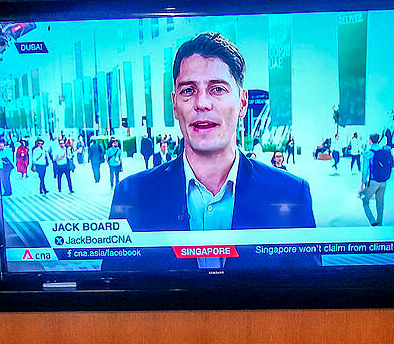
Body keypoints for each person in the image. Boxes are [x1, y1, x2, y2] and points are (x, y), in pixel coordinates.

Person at [109, 33, 317, 268]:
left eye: (217, 89)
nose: (202, 103)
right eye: (188, 91)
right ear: (175, 105)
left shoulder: (290, 193)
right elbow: (114, 293)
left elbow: (308, 298)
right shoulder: (133, 194)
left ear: (242, 103)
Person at [358, 132, 394, 227]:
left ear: (370, 140)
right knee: (380, 203)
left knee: (365, 201)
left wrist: (363, 184)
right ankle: (380, 223)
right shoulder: (384, 151)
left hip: (374, 181)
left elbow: (365, 170)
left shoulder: (368, 154)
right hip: (383, 181)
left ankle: (373, 222)